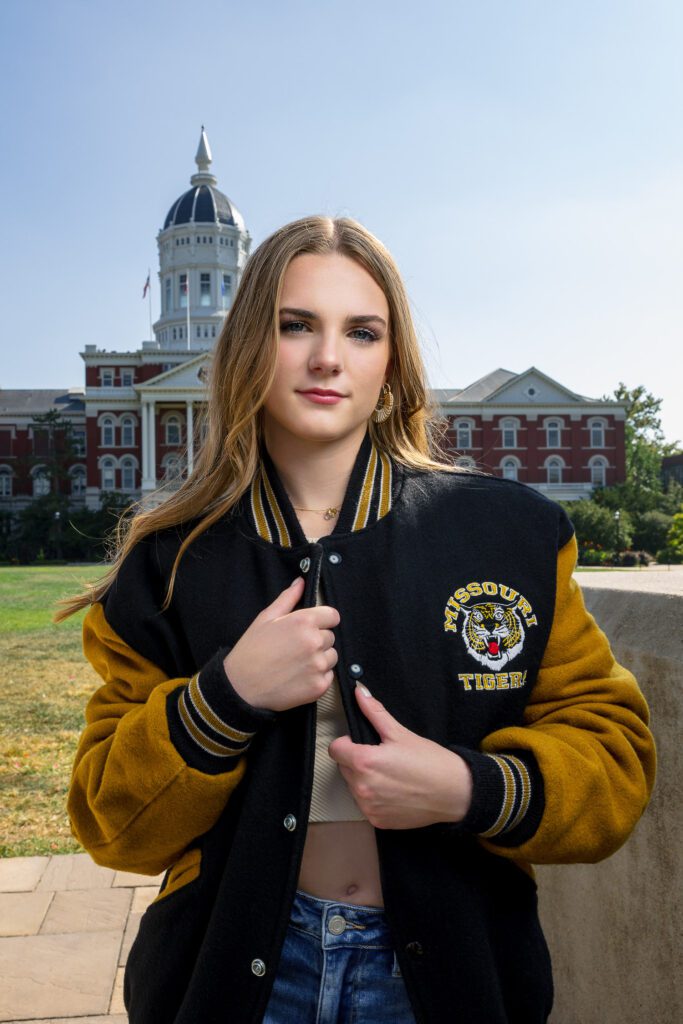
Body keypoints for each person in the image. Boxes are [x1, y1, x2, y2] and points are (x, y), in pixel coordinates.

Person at [61, 215, 656, 1024]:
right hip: (235, 968)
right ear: (244, 347)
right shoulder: (168, 560)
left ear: (392, 361)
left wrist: (467, 787)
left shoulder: (506, 533)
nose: (327, 359)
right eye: (294, 324)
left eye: (362, 331)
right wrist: (223, 699)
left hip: (451, 965)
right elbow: (111, 826)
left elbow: (613, 763)